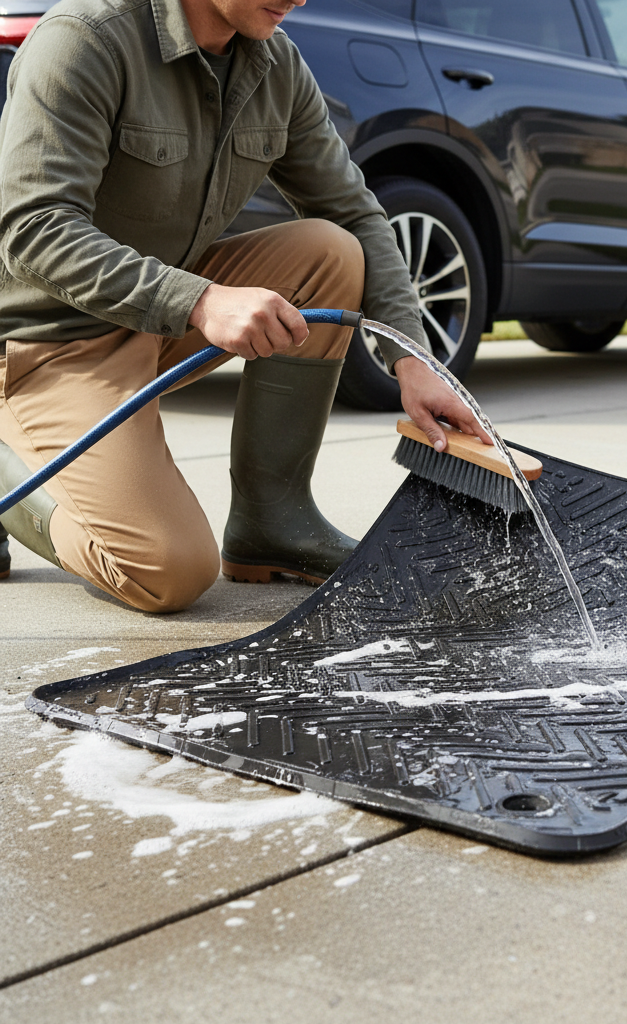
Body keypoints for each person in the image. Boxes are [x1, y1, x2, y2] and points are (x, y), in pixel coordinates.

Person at [0, 0, 488, 610]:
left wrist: (413, 357)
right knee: (166, 571)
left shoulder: (273, 63)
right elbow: (35, 228)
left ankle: (272, 523)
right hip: (43, 342)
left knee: (331, 251)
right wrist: (200, 299)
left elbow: (355, 211)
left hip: (156, 315)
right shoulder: (85, 39)